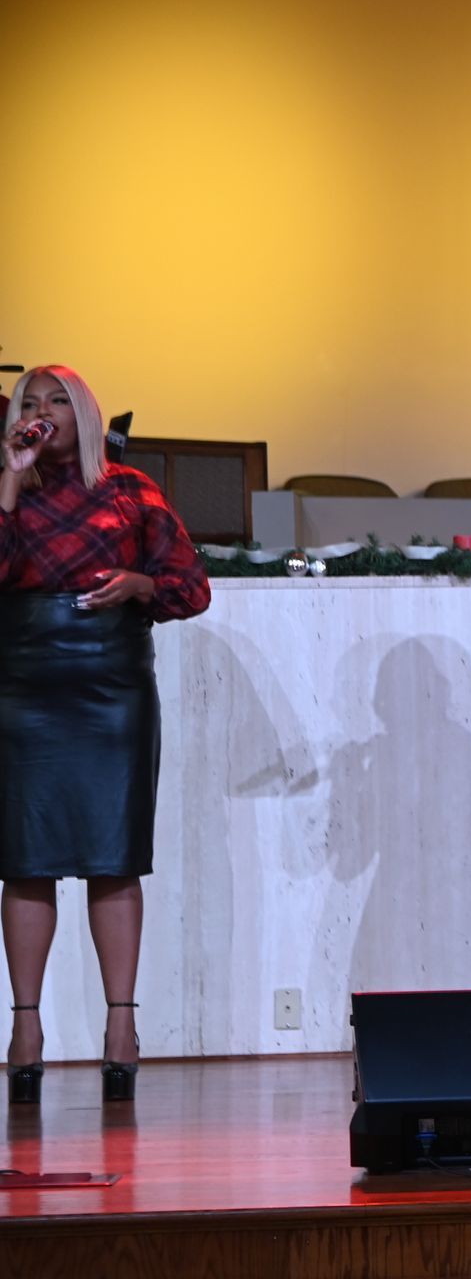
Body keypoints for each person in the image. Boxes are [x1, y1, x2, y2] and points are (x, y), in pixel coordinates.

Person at [2, 366, 210, 1105]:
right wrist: (9, 478)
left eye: (58, 401)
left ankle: (122, 1027)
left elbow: (193, 587)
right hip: (22, 689)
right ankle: (25, 1031)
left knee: (113, 859)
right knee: (25, 860)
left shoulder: (131, 490)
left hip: (111, 691)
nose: (43, 411)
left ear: (85, 415)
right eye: (30, 402)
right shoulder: (8, 487)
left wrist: (140, 585)